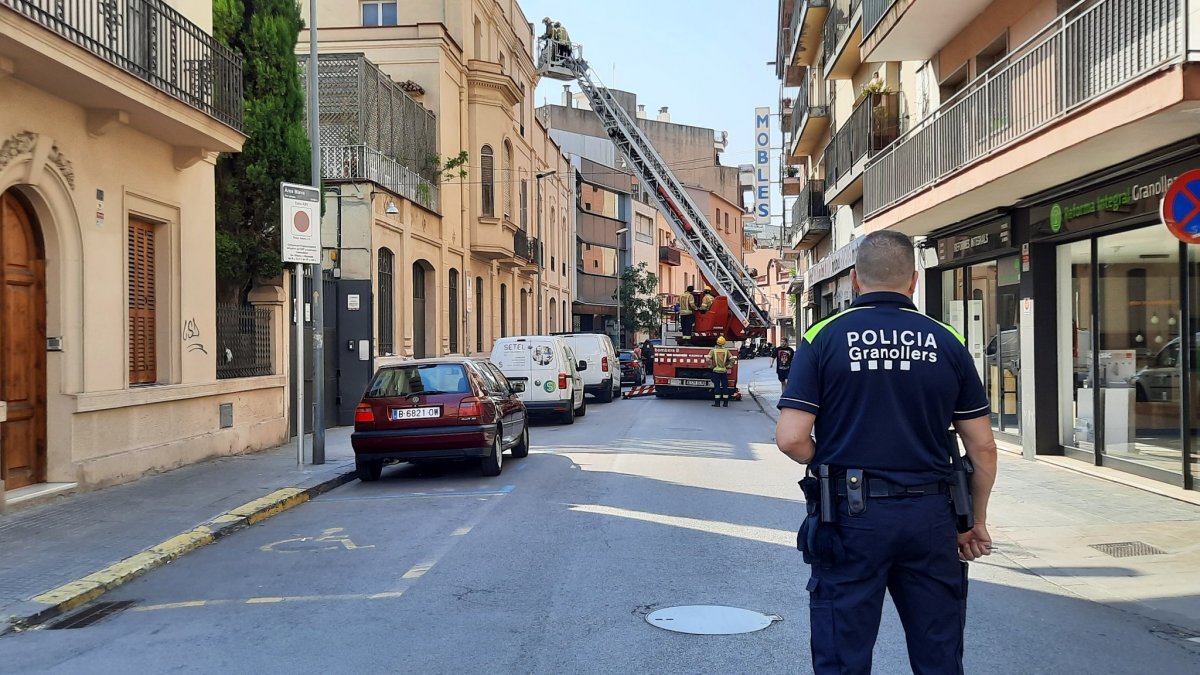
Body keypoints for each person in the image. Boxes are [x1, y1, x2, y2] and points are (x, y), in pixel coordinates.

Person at [775, 230, 998, 675]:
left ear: (855, 280)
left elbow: (791, 438)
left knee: (842, 654)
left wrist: (830, 457)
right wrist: (974, 520)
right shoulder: (947, 339)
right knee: (938, 651)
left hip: (850, 517)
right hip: (931, 517)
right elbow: (983, 446)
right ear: (914, 281)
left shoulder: (823, 336)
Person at [706, 336, 736, 407]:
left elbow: (707, 359)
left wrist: (711, 366)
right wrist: (729, 366)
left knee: (717, 387)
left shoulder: (713, 350)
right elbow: (732, 360)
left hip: (716, 371)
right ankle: (725, 403)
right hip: (724, 371)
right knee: (725, 387)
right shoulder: (726, 351)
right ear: (724, 343)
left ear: (717, 342)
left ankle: (717, 403)